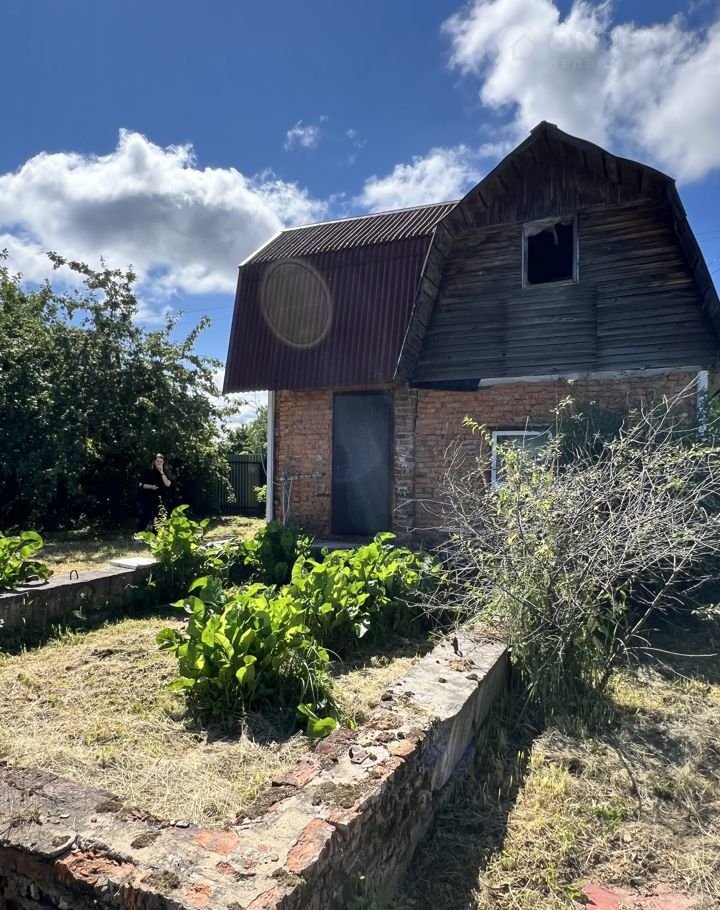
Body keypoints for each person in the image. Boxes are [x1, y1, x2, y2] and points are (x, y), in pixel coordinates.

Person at [136, 453, 172, 531]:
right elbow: (140, 484)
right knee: (146, 516)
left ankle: (156, 535)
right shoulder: (148, 471)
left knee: (159, 517)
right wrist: (151, 487)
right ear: (154, 461)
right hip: (148, 496)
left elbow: (168, 484)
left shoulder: (166, 472)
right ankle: (139, 534)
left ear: (163, 462)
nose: (159, 463)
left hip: (161, 497)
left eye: (161, 461)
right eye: (157, 461)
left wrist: (162, 472)